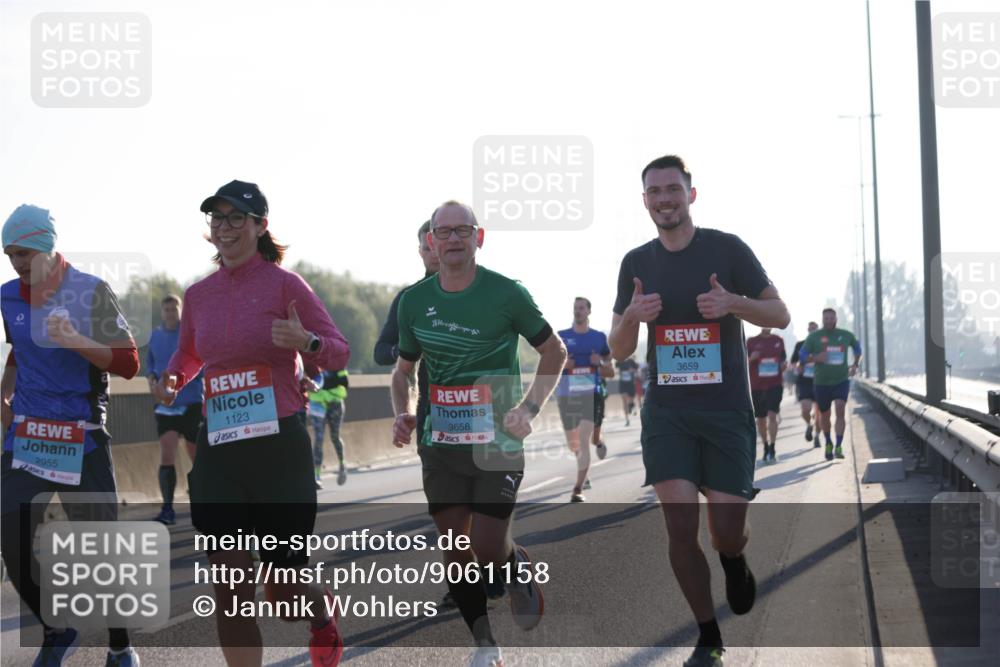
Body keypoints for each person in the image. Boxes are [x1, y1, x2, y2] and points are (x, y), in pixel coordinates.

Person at [151, 180, 350, 667]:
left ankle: (319, 613)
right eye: (217, 219)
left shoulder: (285, 284)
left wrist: (308, 342)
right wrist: (174, 377)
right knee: (230, 587)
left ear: (261, 226)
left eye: (237, 218)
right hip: (220, 449)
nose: (225, 228)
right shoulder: (198, 294)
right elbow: (190, 352)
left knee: (282, 594)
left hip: (277, 448)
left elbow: (337, 348)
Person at [609, 156, 789, 667]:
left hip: (727, 411)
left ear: (691, 193)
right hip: (667, 413)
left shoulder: (727, 249)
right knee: (680, 527)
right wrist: (634, 318)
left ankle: (733, 559)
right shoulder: (635, 263)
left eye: (673, 189)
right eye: (654, 192)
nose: (664, 199)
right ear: (644, 201)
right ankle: (708, 635)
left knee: (725, 531)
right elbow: (619, 348)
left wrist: (733, 303)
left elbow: (779, 313)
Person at [391, 200, 566, 667]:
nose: (451, 239)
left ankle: (513, 562)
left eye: (461, 231)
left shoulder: (507, 293)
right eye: (442, 232)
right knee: (456, 550)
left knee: (486, 549)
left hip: (497, 443)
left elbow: (554, 352)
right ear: (431, 242)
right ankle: (486, 646)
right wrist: (402, 412)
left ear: (478, 237)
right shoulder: (413, 302)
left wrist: (530, 407)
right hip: (441, 445)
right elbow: (402, 370)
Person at [1, 204, 142, 666]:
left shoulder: (89, 291)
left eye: (24, 251)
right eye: (10, 254)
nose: (18, 262)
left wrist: (74, 340)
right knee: (11, 535)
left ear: (47, 245)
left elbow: (127, 364)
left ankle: (120, 645)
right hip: (29, 434)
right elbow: (20, 354)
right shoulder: (8, 297)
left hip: (81, 437)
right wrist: (2, 397)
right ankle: (56, 629)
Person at [146, 294, 204, 525]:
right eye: (166, 309)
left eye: (174, 309)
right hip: (166, 405)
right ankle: (167, 509)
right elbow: (150, 363)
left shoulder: (190, 334)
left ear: (181, 311)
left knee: (196, 455)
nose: (170, 313)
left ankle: (203, 504)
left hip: (191, 402)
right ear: (162, 312)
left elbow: (203, 363)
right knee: (167, 453)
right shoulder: (155, 336)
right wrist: (151, 377)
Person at [556, 297, 613, 502]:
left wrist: (600, 362)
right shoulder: (561, 337)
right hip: (567, 394)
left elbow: (610, 368)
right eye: (575, 308)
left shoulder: (598, 337)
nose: (577, 311)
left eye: (581, 308)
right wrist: (563, 365)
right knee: (575, 445)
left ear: (589, 311)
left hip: (591, 393)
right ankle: (587, 467)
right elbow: (549, 364)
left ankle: (577, 489)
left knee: (584, 439)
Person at [799, 308, 861, 461]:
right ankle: (828, 442)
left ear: (836, 319)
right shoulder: (815, 337)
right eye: (826, 318)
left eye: (831, 318)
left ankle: (839, 446)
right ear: (822, 319)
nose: (828, 321)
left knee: (840, 409)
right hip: (821, 383)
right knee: (825, 415)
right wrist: (815, 357)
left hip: (841, 380)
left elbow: (858, 348)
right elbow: (802, 355)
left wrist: (855, 365)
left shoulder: (846, 335)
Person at [746, 328, 786, 464]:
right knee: (761, 420)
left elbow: (783, 360)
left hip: (774, 384)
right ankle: (765, 445)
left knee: (772, 415)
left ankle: (773, 447)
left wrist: (783, 365)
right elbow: (742, 362)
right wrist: (751, 358)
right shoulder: (751, 342)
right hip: (757, 386)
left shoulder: (778, 340)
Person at [308, 368, 349, 487]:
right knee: (318, 439)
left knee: (335, 437)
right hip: (317, 404)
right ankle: (317, 476)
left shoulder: (335, 359)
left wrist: (325, 383)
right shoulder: (310, 359)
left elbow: (344, 382)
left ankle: (342, 464)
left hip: (334, 403)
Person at [789, 321, 821, 446]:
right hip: (804, 381)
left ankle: (817, 436)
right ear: (807, 330)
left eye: (815, 328)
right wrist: (798, 366)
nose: (812, 330)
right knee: (805, 409)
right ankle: (809, 424)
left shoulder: (822, 345)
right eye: (810, 328)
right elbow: (792, 363)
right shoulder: (800, 345)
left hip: (819, 381)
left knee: (819, 412)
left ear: (818, 330)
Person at [617, 355, 640, 426]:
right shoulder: (619, 361)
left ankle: (632, 405)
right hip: (623, 383)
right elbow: (615, 367)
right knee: (624, 401)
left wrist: (632, 370)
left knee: (630, 400)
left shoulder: (631, 361)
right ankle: (627, 419)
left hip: (630, 383)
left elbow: (637, 368)